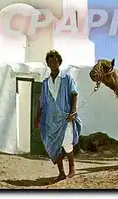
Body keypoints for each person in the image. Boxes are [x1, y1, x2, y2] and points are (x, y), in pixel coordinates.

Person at [34, 50, 82, 182]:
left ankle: (72, 167)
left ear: (59, 62)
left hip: (65, 117)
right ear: (48, 64)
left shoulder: (67, 79)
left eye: (55, 61)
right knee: (54, 146)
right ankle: (61, 172)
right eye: (50, 62)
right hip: (50, 119)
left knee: (66, 142)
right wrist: (37, 118)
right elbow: (41, 102)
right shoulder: (45, 83)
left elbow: (74, 94)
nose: (52, 63)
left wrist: (73, 111)